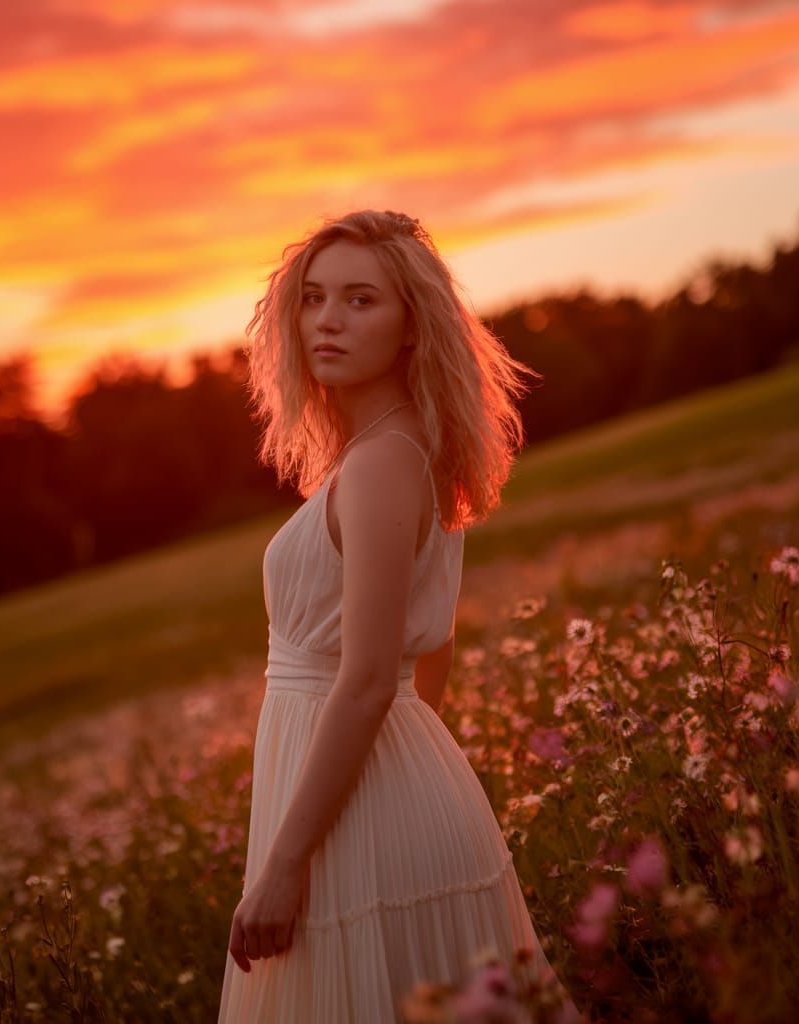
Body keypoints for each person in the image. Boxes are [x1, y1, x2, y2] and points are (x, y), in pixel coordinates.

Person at [217, 210, 584, 1023]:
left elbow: (374, 675)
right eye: (314, 298)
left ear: (412, 326)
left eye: (360, 300)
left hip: (357, 800)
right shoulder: (391, 449)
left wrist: (284, 865)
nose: (328, 321)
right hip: (370, 786)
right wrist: (398, 768)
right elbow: (436, 646)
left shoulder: (385, 461)